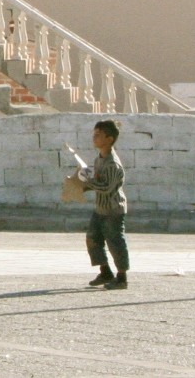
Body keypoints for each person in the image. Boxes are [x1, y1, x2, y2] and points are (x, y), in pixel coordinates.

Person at [80, 118, 129, 289]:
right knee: (93, 239)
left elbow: (107, 187)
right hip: (100, 208)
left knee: (115, 242)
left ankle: (122, 278)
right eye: (94, 134)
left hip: (113, 210)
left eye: (98, 134)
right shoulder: (99, 159)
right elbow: (97, 181)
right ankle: (105, 272)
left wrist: (88, 183)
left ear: (109, 139)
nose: (94, 137)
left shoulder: (113, 164)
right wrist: (81, 184)